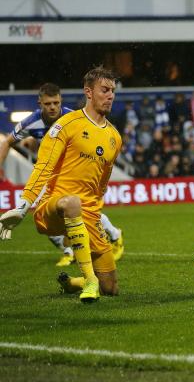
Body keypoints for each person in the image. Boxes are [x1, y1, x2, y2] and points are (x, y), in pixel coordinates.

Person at [0, 66, 123, 303]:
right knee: (72, 202)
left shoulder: (114, 138)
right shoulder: (66, 124)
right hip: (53, 207)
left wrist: (95, 217)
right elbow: (43, 167)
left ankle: (74, 283)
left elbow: (101, 185)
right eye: (104, 90)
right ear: (88, 92)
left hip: (88, 214)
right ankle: (89, 281)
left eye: (113, 91)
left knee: (111, 287)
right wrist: (23, 206)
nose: (110, 96)